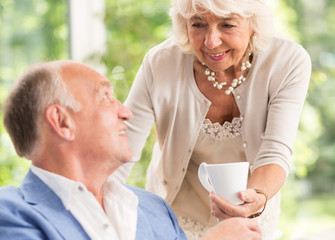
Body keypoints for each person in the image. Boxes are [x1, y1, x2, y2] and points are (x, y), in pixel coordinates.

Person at [114, 0, 312, 239]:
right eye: (198, 24)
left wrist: (254, 199)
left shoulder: (287, 61)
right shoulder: (159, 63)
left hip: (250, 208)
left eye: (227, 25)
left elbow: (275, 151)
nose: (211, 41)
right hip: (176, 217)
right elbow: (120, 148)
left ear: (254, 24)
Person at [0, 60, 262, 240]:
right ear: (62, 121)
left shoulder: (155, 210)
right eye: (105, 97)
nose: (125, 112)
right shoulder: (11, 215)